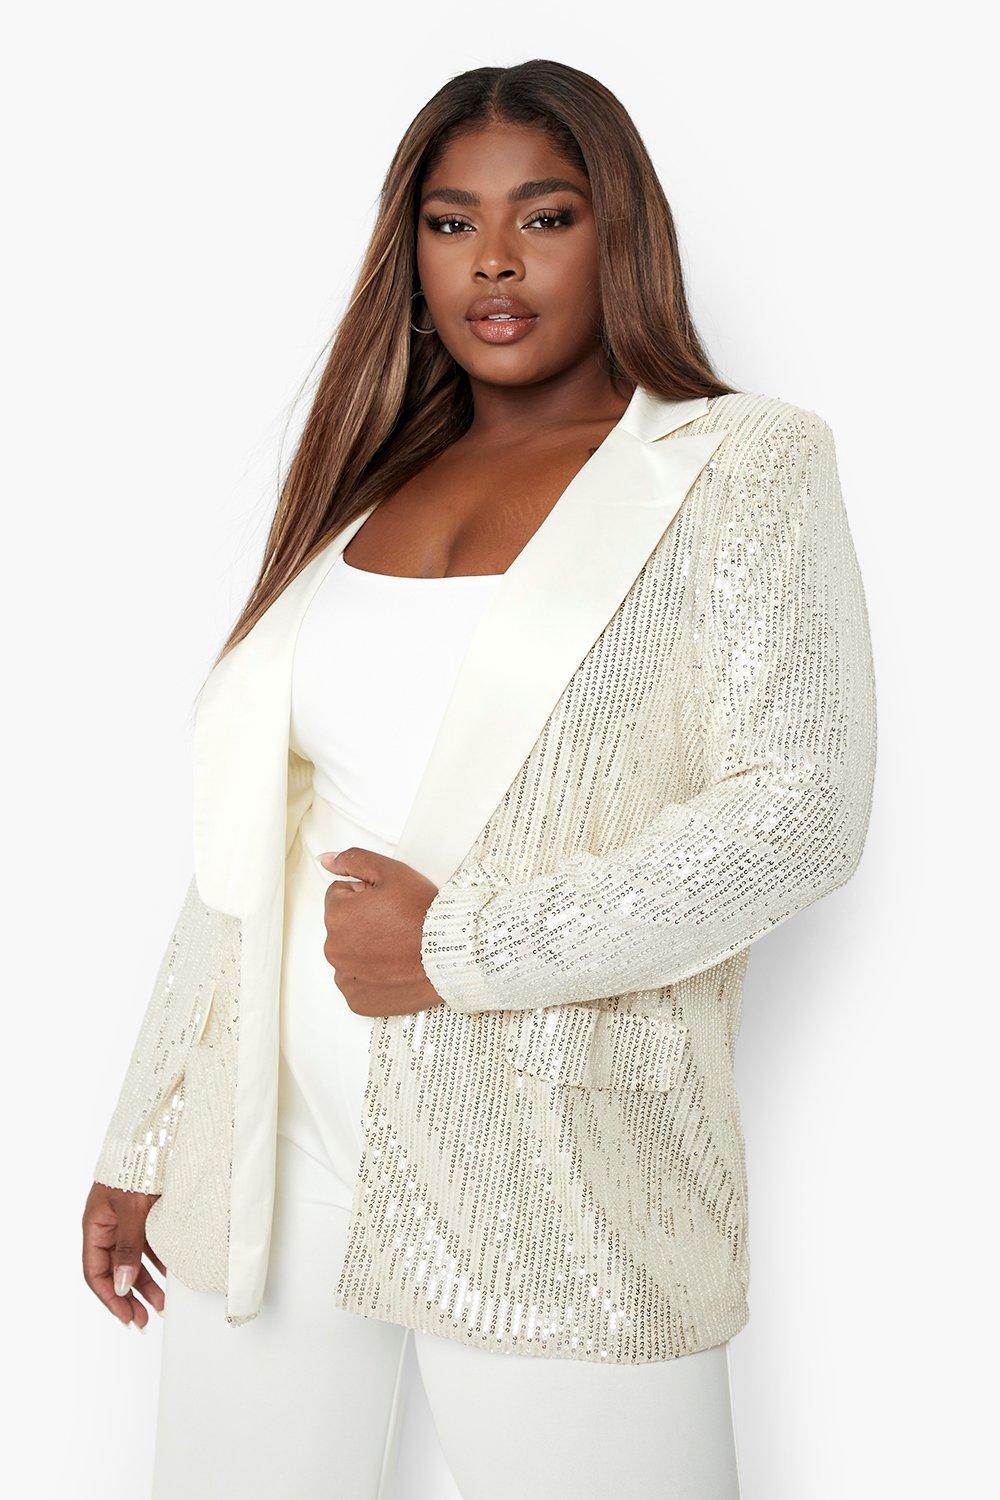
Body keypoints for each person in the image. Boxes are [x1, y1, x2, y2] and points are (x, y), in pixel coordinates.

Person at [82, 59, 876, 1500]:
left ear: (620, 233)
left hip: (558, 1164)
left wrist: (456, 947)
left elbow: (797, 812)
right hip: (268, 1153)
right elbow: (250, 840)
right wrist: (151, 1126)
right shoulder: (364, 483)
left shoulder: (736, 465)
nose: (494, 262)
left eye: (545, 217)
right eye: (452, 224)